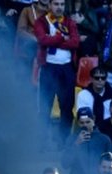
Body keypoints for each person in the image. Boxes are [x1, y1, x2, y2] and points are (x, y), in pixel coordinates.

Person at [35, 0, 80, 144]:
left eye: (62, 4)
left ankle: (63, 141)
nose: (59, 7)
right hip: (49, 67)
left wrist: (53, 39)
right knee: (45, 106)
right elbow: (42, 40)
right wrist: (62, 37)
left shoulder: (70, 22)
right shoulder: (41, 21)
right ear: (49, 6)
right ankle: (41, 141)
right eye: (56, 4)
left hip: (66, 68)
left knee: (67, 107)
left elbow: (75, 42)